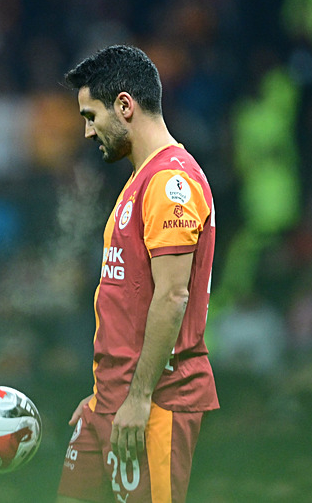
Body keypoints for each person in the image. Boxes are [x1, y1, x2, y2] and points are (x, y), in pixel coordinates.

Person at [56, 45, 219, 503]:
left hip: (154, 404)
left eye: (91, 116)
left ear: (125, 106)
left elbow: (172, 298)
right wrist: (103, 396)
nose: (87, 132)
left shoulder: (172, 183)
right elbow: (127, 301)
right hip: (111, 401)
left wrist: (138, 398)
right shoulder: (138, 181)